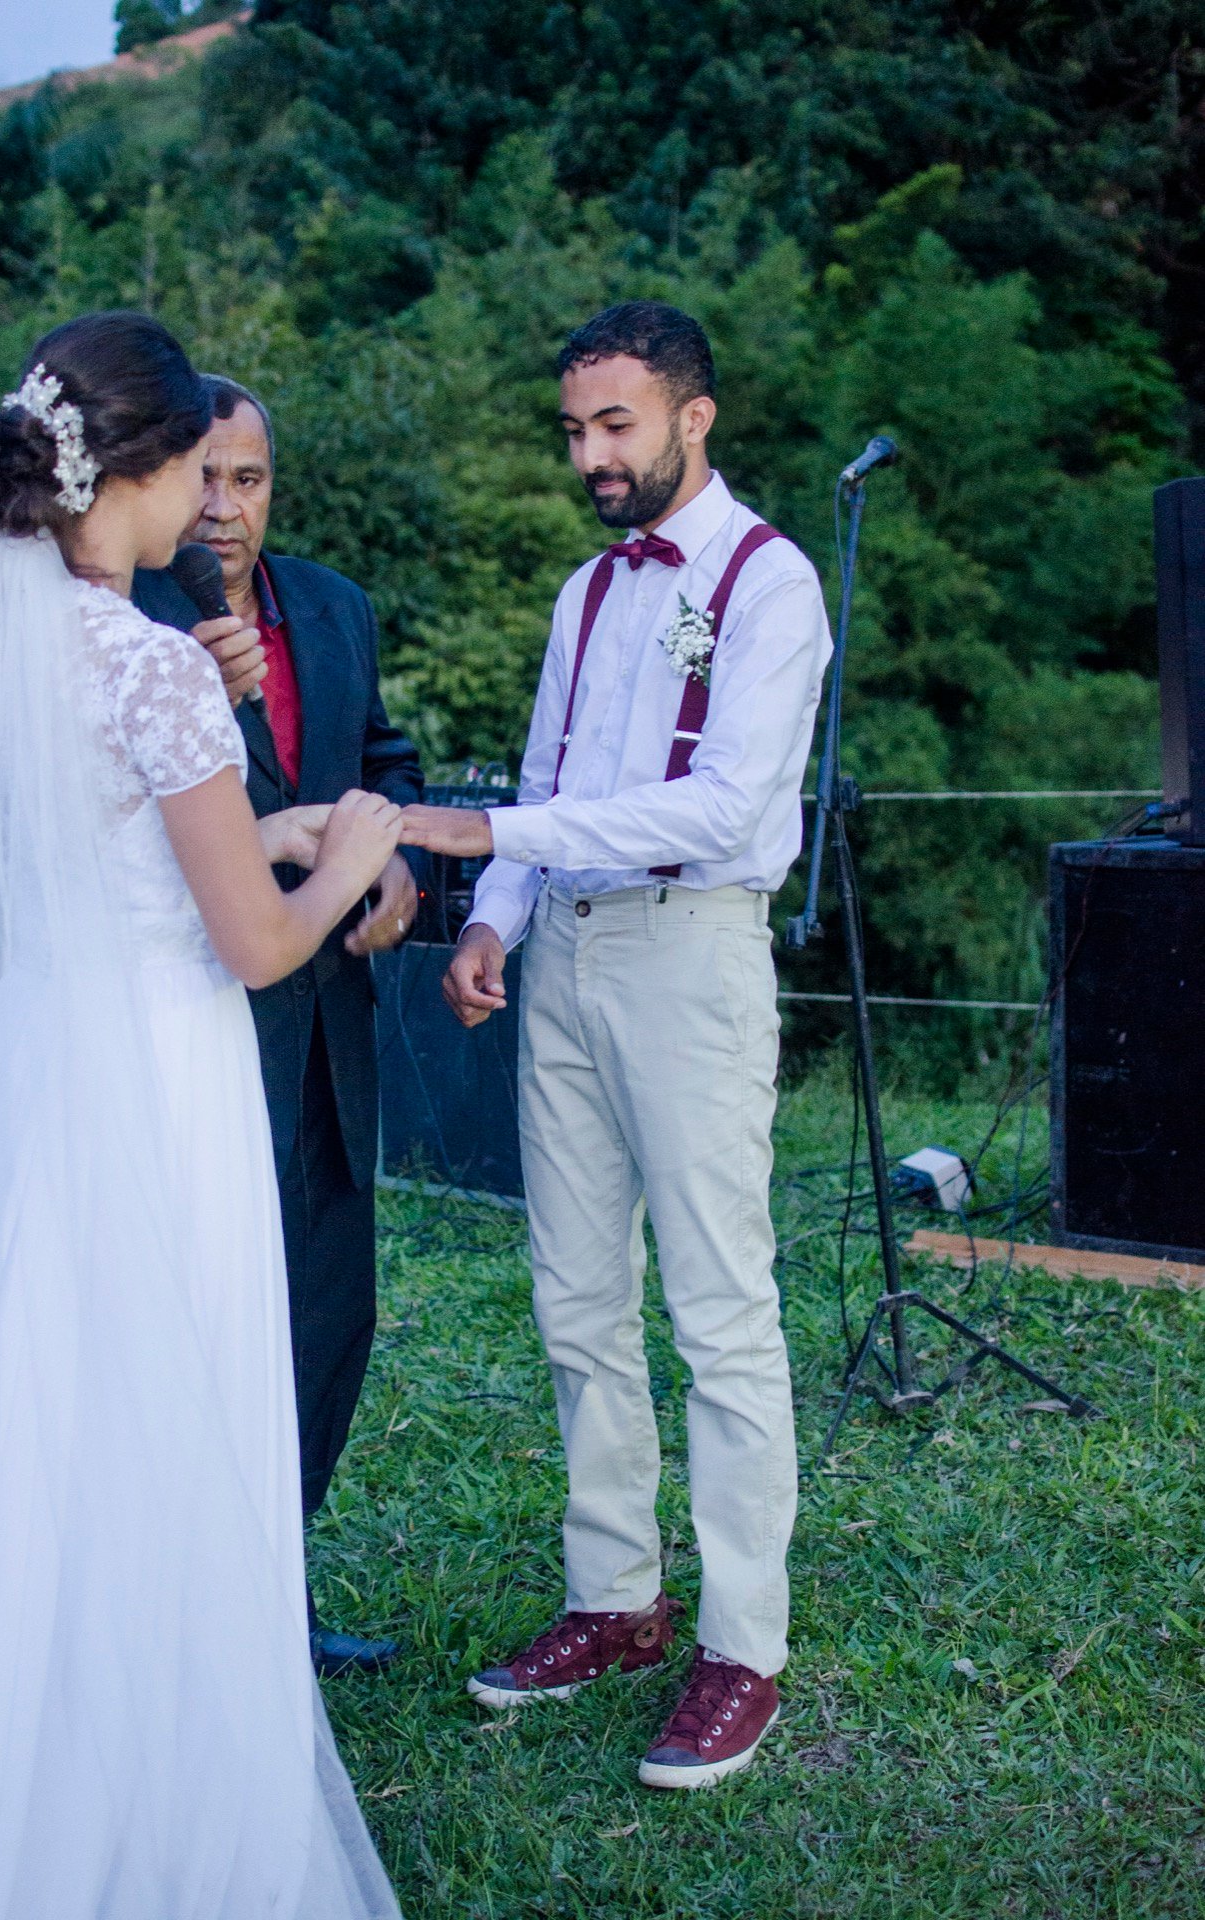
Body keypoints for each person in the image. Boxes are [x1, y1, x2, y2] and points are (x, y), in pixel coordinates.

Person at [0, 311, 400, 1916]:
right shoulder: (156, 665)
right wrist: (354, 847)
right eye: (202, 468)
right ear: (136, 469)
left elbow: (83, 850)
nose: (214, 502)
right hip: (155, 1080)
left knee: (35, 1406)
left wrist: (257, 831)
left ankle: (10, 1743)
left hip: (31, 1069)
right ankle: (157, 1787)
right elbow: (259, 949)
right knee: (170, 1400)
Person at [399, 301, 832, 1790]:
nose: (591, 455)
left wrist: (487, 837)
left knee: (720, 1312)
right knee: (577, 1297)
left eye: (616, 425)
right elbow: (551, 776)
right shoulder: (586, 593)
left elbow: (724, 806)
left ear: (693, 416)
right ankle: (614, 1600)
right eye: (575, 429)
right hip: (568, 955)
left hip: (691, 954)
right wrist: (493, 922)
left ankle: (743, 1648)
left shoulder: (772, 581)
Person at [134, 378, 423, 1677]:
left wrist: (396, 857)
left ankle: (273, 1599)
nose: (223, 507)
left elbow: (381, 763)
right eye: (201, 476)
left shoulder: (337, 606)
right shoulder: (122, 621)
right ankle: (174, 1612)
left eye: (246, 479)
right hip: (190, 1031)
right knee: (197, 1326)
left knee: (327, 1316)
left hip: (328, 1038)